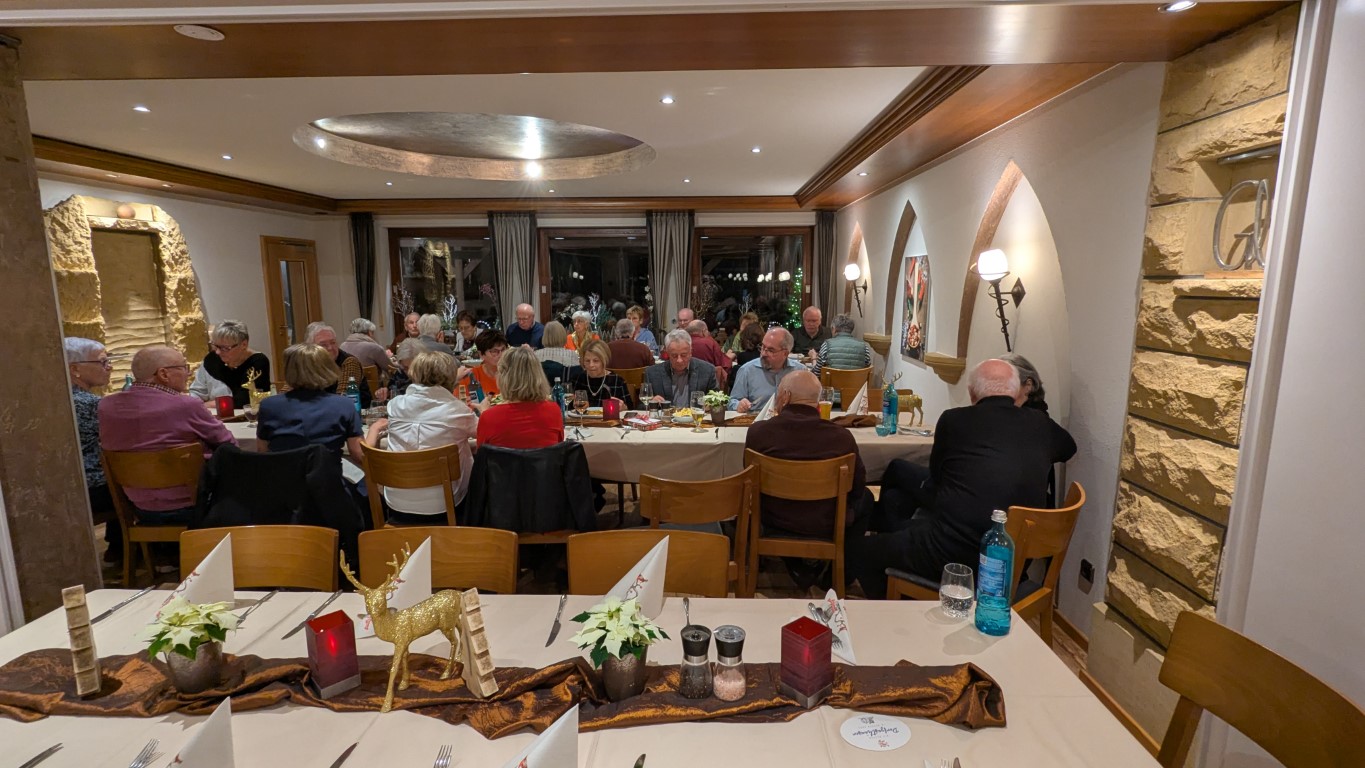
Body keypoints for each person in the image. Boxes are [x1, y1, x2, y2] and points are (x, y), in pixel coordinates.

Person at [849, 359, 1077, 599]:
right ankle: (906, 587)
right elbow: (1068, 448)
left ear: (971, 393)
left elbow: (937, 479)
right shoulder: (1040, 423)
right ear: (1016, 391)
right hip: (1013, 560)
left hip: (955, 553)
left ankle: (904, 606)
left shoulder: (953, 420)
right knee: (898, 507)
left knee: (859, 550)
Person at [98, 345, 238, 522]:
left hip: (138, 507)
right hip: (194, 506)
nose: (188, 373)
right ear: (163, 374)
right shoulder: (185, 405)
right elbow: (228, 443)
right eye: (184, 367)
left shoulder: (106, 406)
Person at [744, 369, 871, 539]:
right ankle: (846, 551)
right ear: (817, 400)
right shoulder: (842, 438)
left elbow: (748, 479)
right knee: (867, 498)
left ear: (786, 396)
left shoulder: (758, 433)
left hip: (772, 519)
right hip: (826, 521)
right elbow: (857, 486)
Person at [364, 352, 476, 523]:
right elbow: (486, 434)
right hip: (445, 504)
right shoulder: (458, 411)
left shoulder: (395, 405)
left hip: (396, 501)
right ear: (451, 377)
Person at [256, 342, 364, 460]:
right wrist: (375, 429)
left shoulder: (268, 405)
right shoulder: (343, 405)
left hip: (284, 471)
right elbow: (359, 455)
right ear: (326, 369)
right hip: (326, 471)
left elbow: (262, 451)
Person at [66, 337, 119, 561]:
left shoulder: (58, 399)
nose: (110, 367)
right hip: (91, 488)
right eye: (103, 362)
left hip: (70, 484)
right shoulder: (88, 404)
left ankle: (118, 548)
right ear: (75, 369)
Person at [476, 345, 564, 449]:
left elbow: (481, 454)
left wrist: (484, 413)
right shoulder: (553, 410)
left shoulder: (489, 417)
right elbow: (559, 448)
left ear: (504, 377)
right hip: (545, 460)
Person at [190, 320, 271, 408]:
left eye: (225, 348)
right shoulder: (212, 359)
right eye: (216, 346)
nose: (217, 352)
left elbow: (245, 400)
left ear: (244, 344)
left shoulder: (258, 362)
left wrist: (207, 405)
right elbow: (197, 392)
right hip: (212, 414)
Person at [729, 327, 802, 413]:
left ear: (785, 353)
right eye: (763, 347)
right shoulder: (747, 370)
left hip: (789, 419)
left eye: (770, 350)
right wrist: (739, 405)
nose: (763, 353)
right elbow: (732, 402)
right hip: (756, 419)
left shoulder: (799, 372)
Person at [642, 329, 719, 407]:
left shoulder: (707, 371)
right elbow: (641, 406)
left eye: (684, 355)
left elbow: (717, 402)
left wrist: (710, 405)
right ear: (667, 353)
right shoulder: (652, 373)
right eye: (674, 356)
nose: (679, 360)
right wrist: (651, 402)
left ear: (691, 352)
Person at [307, 321, 373, 408]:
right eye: (323, 345)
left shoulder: (349, 362)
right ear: (311, 348)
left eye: (333, 342)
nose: (330, 348)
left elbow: (342, 399)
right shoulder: (308, 363)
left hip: (353, 413)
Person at [567, 339, 634, 408]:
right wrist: (573, 405)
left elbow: (630, 409)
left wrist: (624, 408)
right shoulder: (576, 380)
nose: (591, 365)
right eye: (587, 361)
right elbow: (566, 407)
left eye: (596, 361)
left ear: (604, 360)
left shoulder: (617, 381)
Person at [686, 320, 732, 386]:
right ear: (703, 331)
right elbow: (723, 364)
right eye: (707, 331)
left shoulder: (683, 343)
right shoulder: (710, 342)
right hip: (708, 382)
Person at [467, 330, 507, 398]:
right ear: (481, 354)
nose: (501, 355)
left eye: (503, 350)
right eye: (494, 351)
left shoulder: (514, 374)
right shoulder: (471, 376)